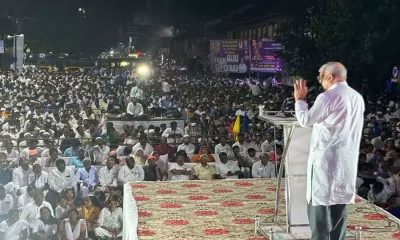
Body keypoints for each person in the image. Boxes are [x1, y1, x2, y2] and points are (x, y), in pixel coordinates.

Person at [294, 62, 365, 240]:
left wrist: (300, 100)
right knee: (339, 213)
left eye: (320, 76)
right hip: (345, 162)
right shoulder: (357, 97)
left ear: (330, 77)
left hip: (324, 163)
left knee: (319, 214)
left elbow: (305, 120)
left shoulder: (328, 97)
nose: (320, 81)